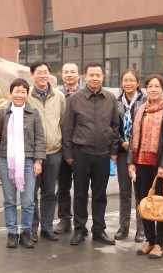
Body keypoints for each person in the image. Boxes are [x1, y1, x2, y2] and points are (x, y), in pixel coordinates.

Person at [62, 62, 119, 246]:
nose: (95, 78)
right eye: (91, 75)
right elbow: (68, 128)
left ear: (103, 77)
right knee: (80, 194)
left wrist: (113, 151)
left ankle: (99, 230)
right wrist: (68, 154)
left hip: (103, 154)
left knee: (100, 195)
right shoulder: (75, 99)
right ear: (85, 77)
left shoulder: (110, 98)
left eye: (98, 75)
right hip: (81, 153)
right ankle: (79, 230)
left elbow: (115, 126)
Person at [127, 74, 163, 259]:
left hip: (160, 165)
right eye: (150, 86)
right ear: (146, 89)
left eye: (157, 86)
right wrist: (131, 161)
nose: (153, 89)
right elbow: (133, 136)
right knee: (144, 202)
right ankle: (149, 239)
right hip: (141, 163)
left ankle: (160, 244)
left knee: (162, 203)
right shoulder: (140, 109)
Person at [0, 78, 45, 248]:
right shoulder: (3, 113)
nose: (20, 95)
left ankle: (26, 232)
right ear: (11, 93)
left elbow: (39, 138)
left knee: (28, 201)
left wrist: (38, 160)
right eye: (17, 91)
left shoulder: (34, 113)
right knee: (9, 201)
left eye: (23, 92)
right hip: (5, 161)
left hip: (28, 162)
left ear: (27, 94)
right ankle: (12, 233)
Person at [28, 61, 66, 242]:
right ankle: (32, 228)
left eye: (45, 72)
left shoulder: (59, 96)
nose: (43, 75)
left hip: (53, 151)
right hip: (31, 154)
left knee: (49, 193)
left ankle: (47, 227)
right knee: (31, 193)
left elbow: (62, 121)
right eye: (39, 72)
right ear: (32, 75)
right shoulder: (26, 95)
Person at [114, 70, 146, 241]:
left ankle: (142, 229)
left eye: (132, 80)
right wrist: (121, 142)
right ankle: (123, 227)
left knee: (140, 191)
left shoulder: (144, 100)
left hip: (141, 152)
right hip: (123, 150)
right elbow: (113, 126)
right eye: (125, 80)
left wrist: (134, 144)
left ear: (137, 83)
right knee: (124, 191)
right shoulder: (116, 102)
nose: (128, 83)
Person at [54, 62, 80, 234]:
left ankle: (80, 221)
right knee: (63, 187)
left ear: (79, 74)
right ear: (61, 75)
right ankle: (64, 219)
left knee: (80, 188)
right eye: (66, 72)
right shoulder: (56, 96)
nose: (69, 75)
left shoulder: (85, 94)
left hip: (80, 148)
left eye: (73, 72)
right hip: (61, 147)